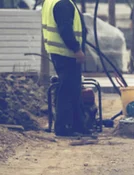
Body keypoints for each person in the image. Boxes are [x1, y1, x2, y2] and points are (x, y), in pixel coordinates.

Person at [42, 0, 87, 137]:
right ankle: (64, 128)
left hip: (61, 53)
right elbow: (65, 29)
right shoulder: (63, 4)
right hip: (66, 53)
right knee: (67, 91)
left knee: (72, 89)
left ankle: (77, 125)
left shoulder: (51, 1)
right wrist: (76, 49)